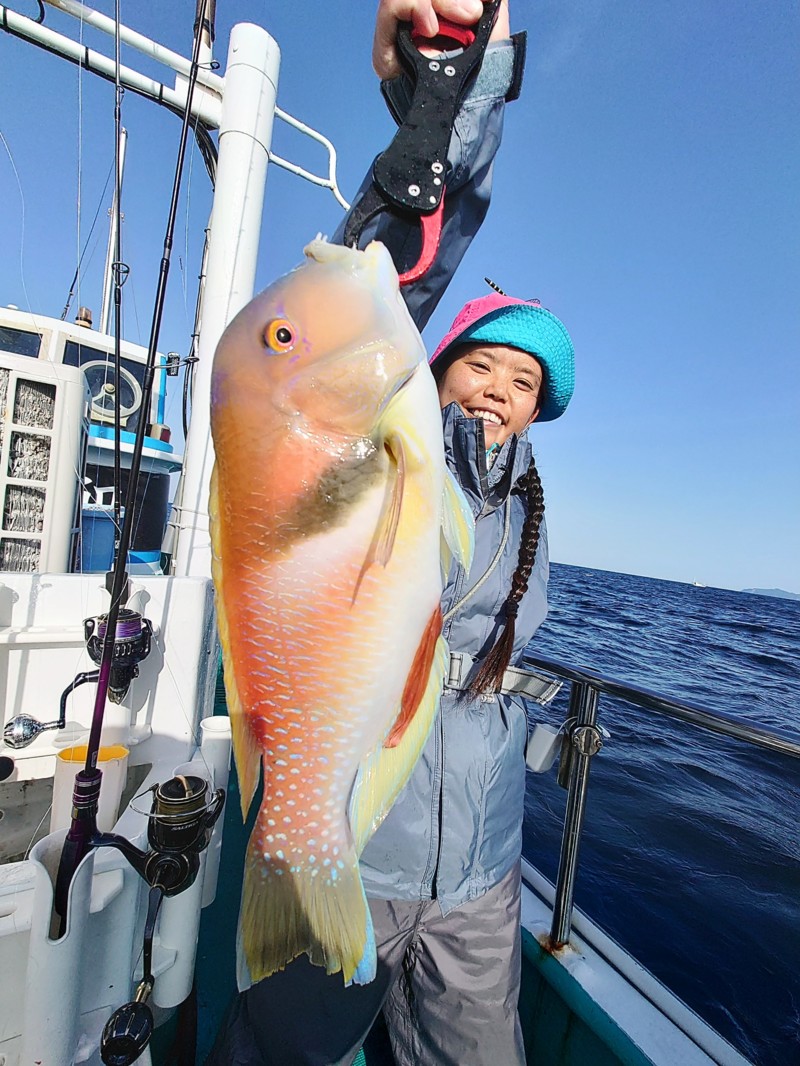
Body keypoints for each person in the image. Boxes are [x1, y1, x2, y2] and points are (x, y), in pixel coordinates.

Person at [207, 1, 575, 1063]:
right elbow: (420, 222)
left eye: (524, 384)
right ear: (431, 364)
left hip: (479, 870)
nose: (499, 393)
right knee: (282, 1041)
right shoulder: (381, 423)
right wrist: (460, 67)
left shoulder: (524, 512)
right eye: (482, 366)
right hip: (364, 843)